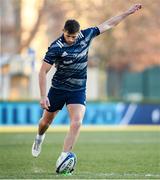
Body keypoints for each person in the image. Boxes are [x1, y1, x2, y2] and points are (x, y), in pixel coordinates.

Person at [32, 4, 142, 159]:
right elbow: (43, 71)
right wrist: (43, 96)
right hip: (58, 89)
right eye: (68, 36)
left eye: (73, 36)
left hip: (77, 90)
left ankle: (64, 157)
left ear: (78, 33)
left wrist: (127, 13)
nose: (71, 39)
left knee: (77, 122)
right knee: (45, 122)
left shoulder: (86, 35)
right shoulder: (55, 47)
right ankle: (39, 137)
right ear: (63, 31)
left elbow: (109, 24)